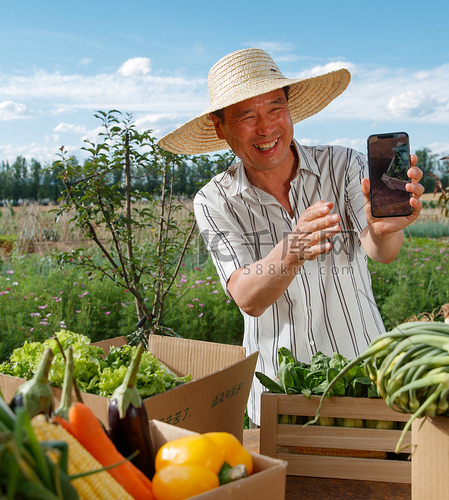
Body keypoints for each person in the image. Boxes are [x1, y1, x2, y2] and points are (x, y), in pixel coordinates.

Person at [159, 48, 424, 425]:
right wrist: (294, 248)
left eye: (275, 109)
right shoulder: (214, 200)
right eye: (247, 116)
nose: (266, 128)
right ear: (220, 127)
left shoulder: (344, 164)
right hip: (280, 396)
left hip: (365, 378)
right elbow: (247, 298)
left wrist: (383, 229)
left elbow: (380, 250)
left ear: (290, 110)